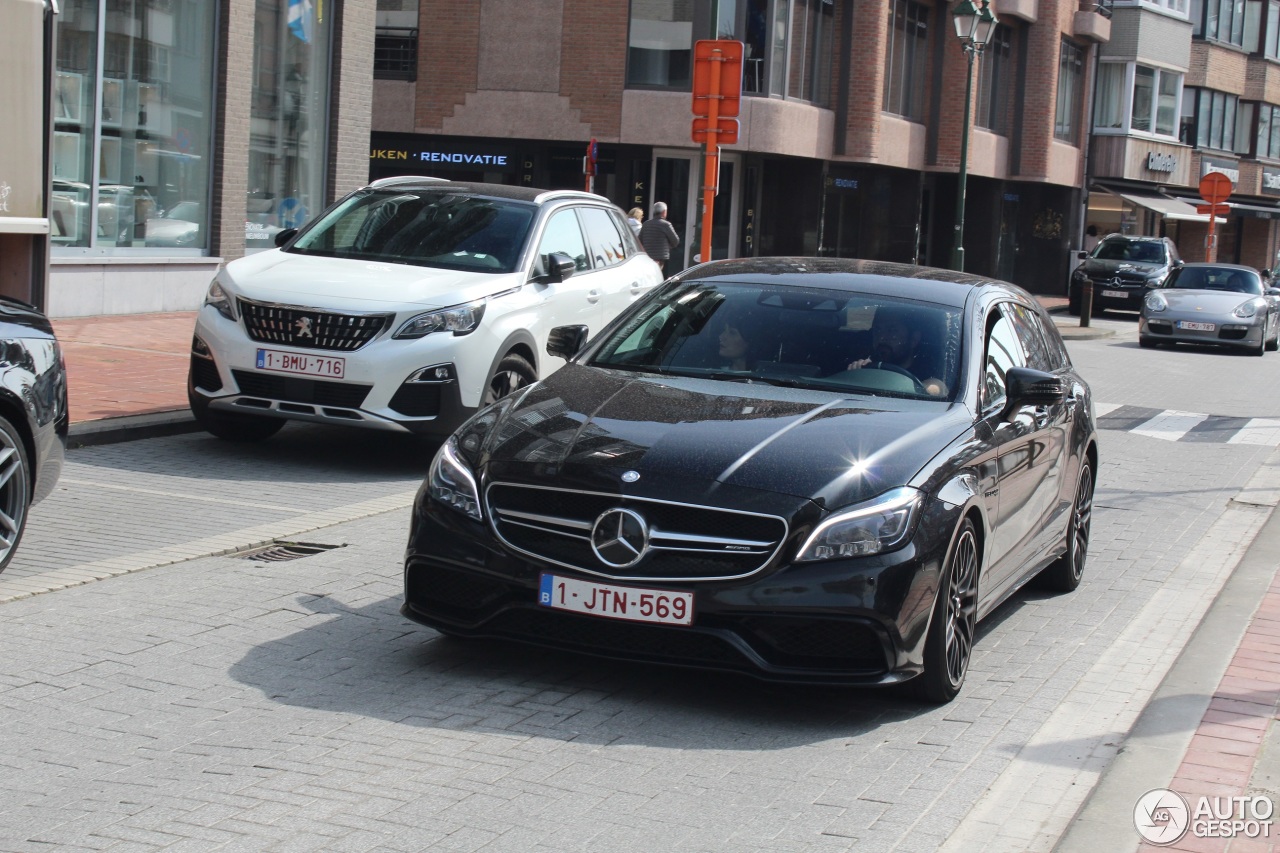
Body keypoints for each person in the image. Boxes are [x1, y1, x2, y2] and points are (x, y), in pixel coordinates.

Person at [847, 305, 947, 396]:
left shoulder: (925, 375)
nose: (881, 337)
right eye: (877, 330)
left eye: (892, 330)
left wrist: (926, 389)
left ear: (913, 340)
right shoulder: (865, 369)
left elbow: (937, 388)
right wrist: (855, 375)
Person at [639, 201, 680, 276]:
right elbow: (675, 241)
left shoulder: (646, 224)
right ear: (664, 212)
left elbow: (639, 240)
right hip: (661, 258)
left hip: (647, 257)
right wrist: (668, 247)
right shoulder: (666, 225)